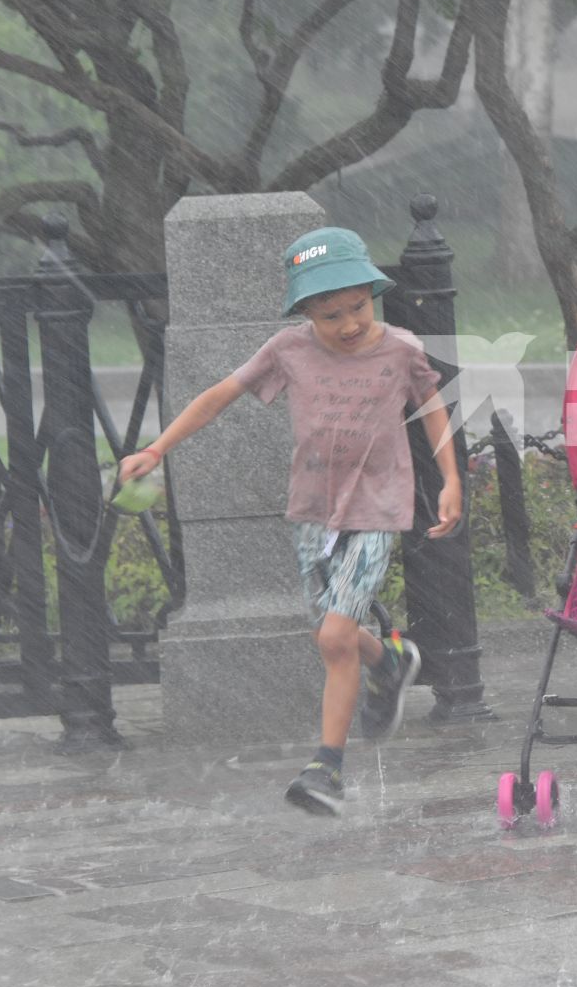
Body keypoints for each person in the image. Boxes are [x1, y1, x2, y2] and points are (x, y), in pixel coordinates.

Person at [117, 227, 464, 816]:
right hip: (311, 510)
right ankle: (391, 660)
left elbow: (430, 407)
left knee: (333, 638)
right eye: (331, 315)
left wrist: (452, 478)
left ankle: (326, 767)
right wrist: (158, 448)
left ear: (371, 295)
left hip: (377, 508)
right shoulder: (288, 351)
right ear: (305, 312)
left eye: (358, 307)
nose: (350, 324)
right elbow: (217, 397)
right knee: (334, 636)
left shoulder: (401, 349)